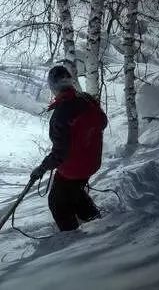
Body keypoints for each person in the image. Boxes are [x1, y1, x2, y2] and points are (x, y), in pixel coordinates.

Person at [30, 66, 108, 231]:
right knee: (74, 191)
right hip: (92, 163)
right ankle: (94, 217)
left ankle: (70, 238)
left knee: (57, 202)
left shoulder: (61, 113)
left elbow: (60, 153)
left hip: (73, 169)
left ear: (53, 86)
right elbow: (102, 122)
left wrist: (41, 168)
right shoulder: (87, 99)